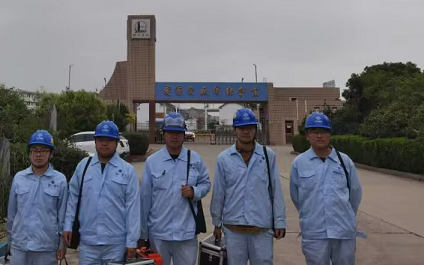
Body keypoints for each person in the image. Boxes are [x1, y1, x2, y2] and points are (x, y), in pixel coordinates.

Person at [210, 108, 286, 265]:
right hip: (233, 228)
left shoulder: (267, 156)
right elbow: (219, 192)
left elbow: (276, 191)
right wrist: (217, 222)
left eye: (250, 127)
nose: (246, 132)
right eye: (241, 128)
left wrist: (279, 221)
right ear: (235, 130)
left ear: (255, 129)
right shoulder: (224, 158)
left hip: (261, 227)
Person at [290, 112, 363, 265]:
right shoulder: (299, 163)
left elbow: (355, 194)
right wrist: (310, 214)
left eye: (323, 131)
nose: (319, 136)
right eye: (314, 131)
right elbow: (296, 197)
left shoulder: (344, 161)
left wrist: (345, 215)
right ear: (307, 135)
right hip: (314, 232)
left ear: (329, 134)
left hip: (343, 230)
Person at [63, 121, 140, 265]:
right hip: (88, 243)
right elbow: (72, 199)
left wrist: (131, 241)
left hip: (116, 244)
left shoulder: (127, 170)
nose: (104, 144)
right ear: (95, 142)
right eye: (100, 139)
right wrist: (68, 225)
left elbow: (133, 208)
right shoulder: (83, 166)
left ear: (116, 142)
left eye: (109, 140)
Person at [140, 112, 211, 265]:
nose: (174, 136)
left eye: (178, 133)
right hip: (158, 233)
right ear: (163, 133)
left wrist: (195, 192)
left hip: (186, 232)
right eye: (170, 132)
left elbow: (206, 183)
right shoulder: (152, 162)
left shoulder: (195, 159)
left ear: (184, 134)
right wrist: (142, 233)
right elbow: (145, 199)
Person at [7, 130, 68, 265]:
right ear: (30, 153)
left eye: (43, 150)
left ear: (51, 154)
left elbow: (62, 215)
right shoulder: (19, 178)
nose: (38, 154)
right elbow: (12, 213)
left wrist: (62, 244)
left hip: (46, 248)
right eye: (34, 150)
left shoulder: (60, 180)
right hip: (20, 246)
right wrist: (10, 241)